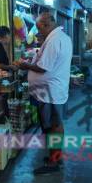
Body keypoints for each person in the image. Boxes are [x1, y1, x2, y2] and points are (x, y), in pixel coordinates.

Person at [15, 12, 72, 174]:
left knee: (53, 126)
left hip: (50, 93)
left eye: (40, 28)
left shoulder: (54, 40)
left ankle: (54, 162)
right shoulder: (62, 37)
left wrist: (24, 65)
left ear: (47, 25)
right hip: (52, 91)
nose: (38, 32)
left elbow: (43, 67)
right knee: (54, 125)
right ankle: (55, 157)